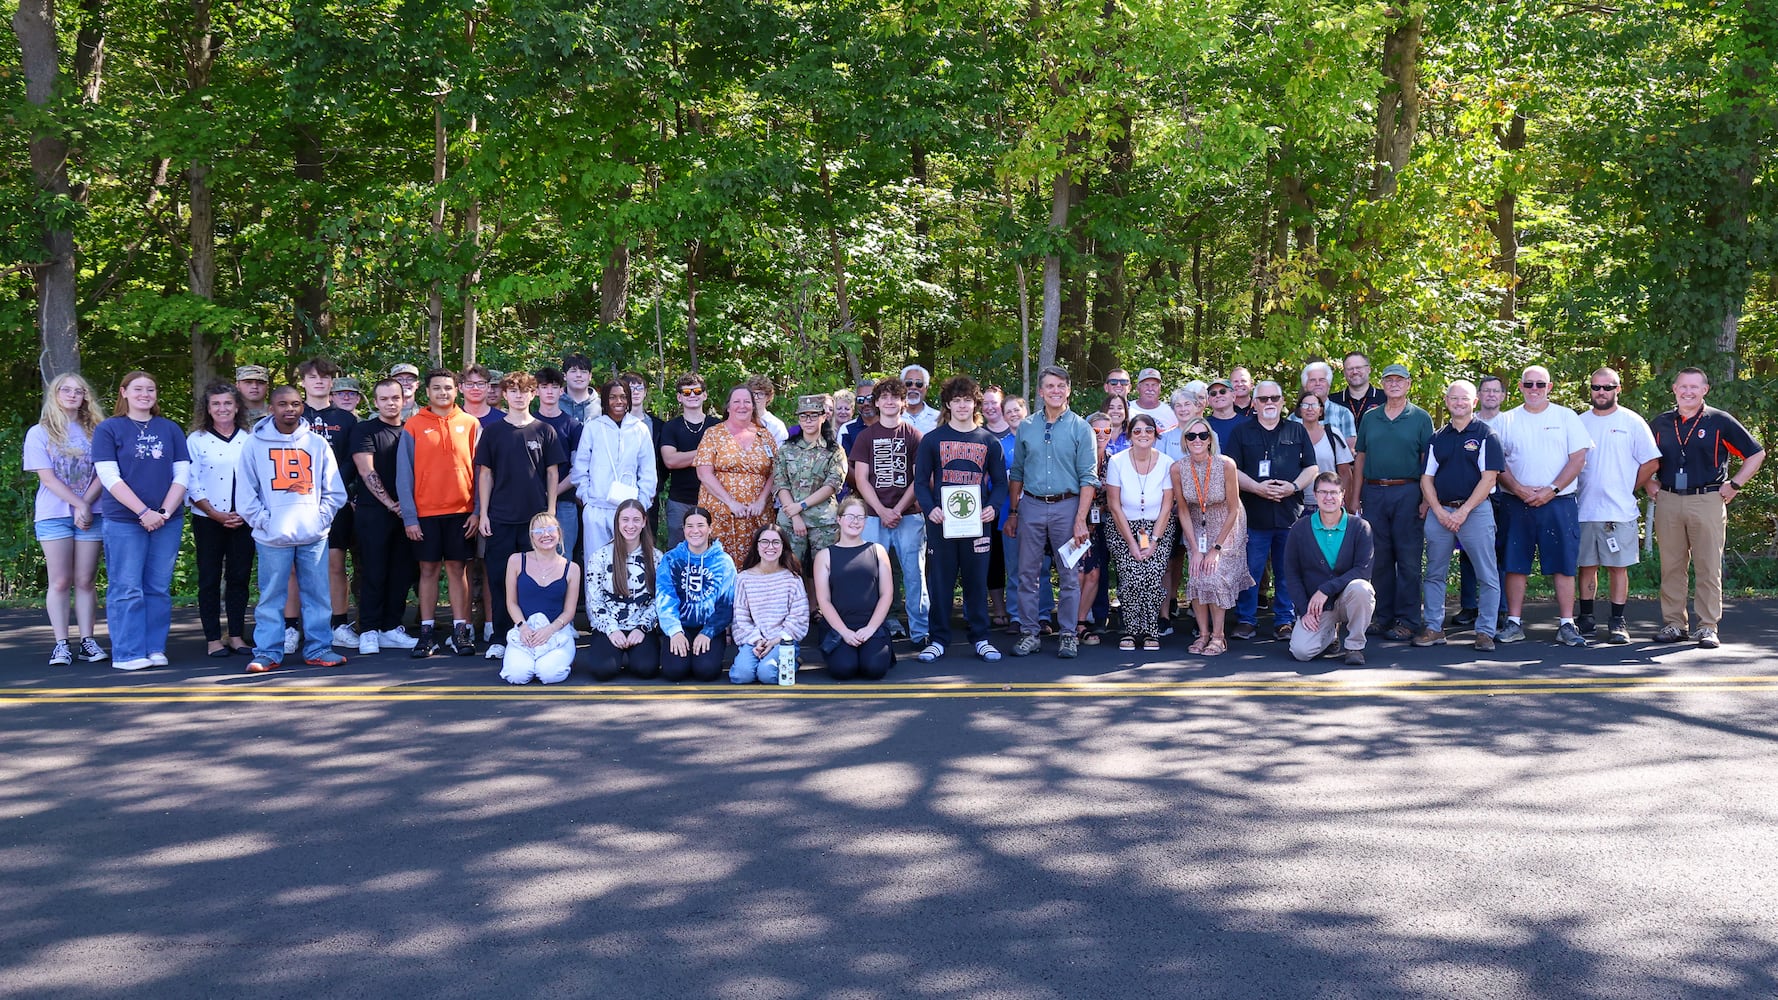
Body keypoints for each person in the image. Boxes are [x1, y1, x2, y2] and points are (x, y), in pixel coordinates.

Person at [1648, 366, 1765, 648]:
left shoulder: (1719, 421)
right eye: (1682, 386)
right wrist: (1648, 483)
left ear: (1705, 390)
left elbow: (1756, 453)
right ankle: (1675, 623)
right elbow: (1641, 458)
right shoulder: (1661, 423)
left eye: (1694, 387)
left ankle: (1707, 626)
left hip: (1708, 498)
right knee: (1672, 566)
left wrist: (1735, 484)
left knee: (1707, 565)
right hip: (1669, 499)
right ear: (1674, 390)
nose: (1688, 392)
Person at [239, 386, 348, 674]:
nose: (290, 409)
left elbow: (335, 490)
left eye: (296, 404)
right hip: (272, 536)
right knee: (271, 597)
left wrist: (320, 518)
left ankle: (319, 648)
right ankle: (267, 652)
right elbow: (246, 492)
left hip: (312, 534)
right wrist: (264, 521)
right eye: (283, 404)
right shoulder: (254, 444)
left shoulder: (316, 443)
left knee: (317, 596)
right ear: (271, 408)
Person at [93, 371, 190, 671]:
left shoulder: (170, 428)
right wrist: (143, 512)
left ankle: (154, 648)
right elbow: (109, 477)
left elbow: (182, 475)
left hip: (166, 520)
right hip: (125, 520)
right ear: (123, 392)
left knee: (158, 587)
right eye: (138, 389)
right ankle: (128, 653)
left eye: (150, 388)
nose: (145, 394)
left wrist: (163, 513)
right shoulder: (109, 429)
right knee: (127, 587)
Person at [1493, 365, 1593, 646]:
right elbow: (1497, 462)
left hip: (1558, 503)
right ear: (1520, 387)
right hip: (1516, 502)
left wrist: (1552, 489)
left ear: (1550, 387)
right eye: (1528, 384)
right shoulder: (1506, 420)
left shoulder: (1566, 417)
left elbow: (1578, 459)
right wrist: (1519, 489)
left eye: (1540, 384)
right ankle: (1513, 622)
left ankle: (1566, 624)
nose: (1534, 389)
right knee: (1515, 564)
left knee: (1563, 564)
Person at [913, 375, 1008, 663]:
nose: (962, 405)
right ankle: (938, 639)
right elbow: (919, 482)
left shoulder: (988, 441)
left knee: (976, 582)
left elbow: (1002, 483)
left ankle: (981, 638)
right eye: (957, 400)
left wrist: (993, 506)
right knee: (940, 582)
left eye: (967, 400)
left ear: (975, 403)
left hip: (977, 523)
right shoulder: (932, 439)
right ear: (947, 404)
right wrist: (930, 509)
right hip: (942, 523)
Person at [1006, 364, 1100, 658]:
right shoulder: (1027, 426)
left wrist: (1080, 519)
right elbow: (1017, 472)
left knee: (1070, 574)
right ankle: (1029, 632)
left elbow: (1088, 476)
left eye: (1061, 386)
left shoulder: (1081, 428)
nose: (1056, 391)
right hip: (1031, 505)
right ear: (1041, 391)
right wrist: (1013, 511)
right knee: (1027, 573)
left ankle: (1068, 634)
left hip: (1068, 506)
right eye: (1050, 386)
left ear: (1069, 390)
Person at [476, 371, 565, 660]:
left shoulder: (544, 431)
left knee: (533, 581)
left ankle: (535, 634)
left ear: (533, 394)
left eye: (523, 390)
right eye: (512, 390)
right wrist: (484, 513)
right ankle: (502, 636)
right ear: (504, 394)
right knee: (501, 579)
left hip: (535, 522)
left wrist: (550, 512)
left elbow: (553, 473)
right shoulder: (493, 431)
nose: (518, 395)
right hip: (500, 518)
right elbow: (485, 475)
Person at [399, 368, 482, 657]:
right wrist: (410, 517)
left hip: (462, 512)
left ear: (456, 390)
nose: (443, 393)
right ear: (427, 392)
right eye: (437, 388)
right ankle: (427, 632)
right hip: (425, 513)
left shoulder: (470, 424)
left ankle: (461, 631)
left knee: (458, 570)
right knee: (428, 570)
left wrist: (478, 511)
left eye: (448, 387)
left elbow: (481, 470)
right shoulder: (413, 425)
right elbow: (404, 475)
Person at [1226, 380, 1319, 640]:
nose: (1269, 403)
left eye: (1274, 398)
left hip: (1290, 513)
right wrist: (1256, 487)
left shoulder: (1297, 431)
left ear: (1282, 402)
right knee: (1251, 571)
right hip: (1254, 514)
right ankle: (1246, 619)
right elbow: (1231, 470)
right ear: (1254, 403)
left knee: (1287, 571)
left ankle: (1284, 620)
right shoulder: (1241, 432)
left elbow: (1312, 467)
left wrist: (1293, 486)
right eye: (1264, 399)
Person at [27, 373, 109, 665]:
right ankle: (61, 643)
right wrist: (77, 504)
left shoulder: (98, 430)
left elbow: (104, 472)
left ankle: (88, 640)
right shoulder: (40, 432)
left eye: (79, 391)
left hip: (91, 513)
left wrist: (85, 505)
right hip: (54, 516)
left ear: (86, 396)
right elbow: (47, 478)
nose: (73, 395)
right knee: (60, 581)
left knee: (85, 580)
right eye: (66, 390)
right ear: (55, 394)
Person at [1416, 379, 1504, 651]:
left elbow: (1489, 479)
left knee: (1486, 574)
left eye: (1464, 399)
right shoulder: (1437, 438)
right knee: (1434, 573)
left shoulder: (1487, 435)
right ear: (1446, 401)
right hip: (1440, 512)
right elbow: (1426, 478)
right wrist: (1440, 511)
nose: (1459, 403)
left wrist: (1463, 511)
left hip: (1475, 513)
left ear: (1474, 402)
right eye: (1454, 398)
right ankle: (1433, 627)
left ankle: (1485, 631)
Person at [1350, 363, 1434, 642]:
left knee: (1409, 559)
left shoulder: (1420, 418)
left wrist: (1425, 498)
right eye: (1389, 380)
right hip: (1374, 492)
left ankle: (1409, 620)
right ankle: (1382, 616)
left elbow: (1427, 462)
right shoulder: (1371, 418)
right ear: (1382, 384)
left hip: (1408, 491)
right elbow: (1360, 458)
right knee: (1379, 558)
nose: (1394, 384)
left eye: (1400, 380)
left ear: (1409, 384)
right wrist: (1355, 497)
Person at [1575, 369, 1660, 644]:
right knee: (1586, 566)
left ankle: (1617, 621)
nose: (1601, 392)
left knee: (1617, 567)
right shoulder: (1578, 422)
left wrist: (1629, 486)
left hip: (1619, 511)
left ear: (1618, 389)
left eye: (1607, 387)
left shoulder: (1632, 422)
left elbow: (1651, 461)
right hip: (1583, 508)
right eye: (1596, 387)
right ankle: (1586, 617)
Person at [849, 376, 929, 644]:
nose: (890, 401)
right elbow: (861, 479)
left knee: (914, 576)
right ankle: (874, 631)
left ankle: (920, 632)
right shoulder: (865, 437)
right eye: (884, 397)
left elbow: (920, 480)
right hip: (873, 518)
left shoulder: (914, 435)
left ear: (903, 402)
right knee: (871, 577)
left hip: (908, 517)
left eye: (895, 397)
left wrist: (896, 509)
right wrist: (882, 510)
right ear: (877, 402)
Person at [347, 378, 419, 654]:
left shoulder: (411, 431)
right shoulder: (364, 429)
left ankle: (391, 627)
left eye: (395, 398)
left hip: (409, 514)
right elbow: (367, 471)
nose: (391, 403)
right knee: (373, 571)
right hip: (374, 512)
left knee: (401, 572)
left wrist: (408, 507)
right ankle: (369, 629)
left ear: (404, 400)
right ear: (375, 402)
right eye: (385, 399)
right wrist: (391, 503)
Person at [186, 383, 255, 659]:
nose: (222, 409)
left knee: (239, 577)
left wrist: (245, 512)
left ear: (237, 406)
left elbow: (257, 478)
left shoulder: (249, 438)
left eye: (228, 403)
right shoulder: (197, 439)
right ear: (208, 408)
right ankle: (213, 638)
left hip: (244, 519)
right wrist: (214, 513)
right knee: (209, 578)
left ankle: (236, 635)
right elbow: (191, 482)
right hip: (208, 518)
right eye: (216, 404)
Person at [1173, 416, 1252, 655]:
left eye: (1202, 435)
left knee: (1214, 576)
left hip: (1227, 523)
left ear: (1210, 440)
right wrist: (1195, 549)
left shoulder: (1226, 464)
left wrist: (1216, 548)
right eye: (1191, 436)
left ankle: (1219, 637)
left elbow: (1234, 507)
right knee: (1197, 575)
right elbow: (1183, 509)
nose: (1197, 440)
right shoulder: (1178, 468)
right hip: (1197, 524)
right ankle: (1203, 634)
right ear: (1185, 441)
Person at [296, 358, 360, 649]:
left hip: (335, 501)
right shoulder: (293, 414)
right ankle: (291, 627)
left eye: (324, 377)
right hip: (296, 501)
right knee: (295, 566)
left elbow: (351, 460)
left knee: (335, 563)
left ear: (332, 382)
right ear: (303, 382)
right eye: (312, 377)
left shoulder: (347, 419)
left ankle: (338, 623)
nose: (319, 381)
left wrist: (331, 486)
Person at [1284, 473, 1377, 666]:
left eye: (1334, 493)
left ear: (1343, 494)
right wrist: (1304, 611)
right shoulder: (1299, 529)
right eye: (1323, 492)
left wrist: (1325, 589)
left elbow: (1363, 571)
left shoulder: (1360, 527)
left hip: (1347, 599)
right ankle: (1329, 636)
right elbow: (1291, 574)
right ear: (1315, 495)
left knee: (1362, 588)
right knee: (1301, 652)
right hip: (1316, 607)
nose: (1328, 498)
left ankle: (1354, 646)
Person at [1104, 414, 1175, 650]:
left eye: (1148, 430)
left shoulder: (1166, 462)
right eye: (1137, 431)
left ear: (1155, 435)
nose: (1143, 435)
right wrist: (1132, 544)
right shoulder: (1117, 461)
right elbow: (1114, 505)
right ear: (1129, 435)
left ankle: (1150, 629)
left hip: (1157, 527)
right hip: (1124, 526)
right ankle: (1130, 629)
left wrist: (1153, 539)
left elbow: (1167, 504)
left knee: (1152, 577)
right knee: (1131, 576)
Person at [814, 497, 896, 680]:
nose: (855, 521)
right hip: (839, 628)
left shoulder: (878, 551)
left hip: (871, 625)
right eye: (850, 516)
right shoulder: (825, 555)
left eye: (860, 517)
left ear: (866, 521)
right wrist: (844, 632)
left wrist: (871, 628)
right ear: (839, 519)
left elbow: (886, 594)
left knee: (874, 669)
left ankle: (874, 650)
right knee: (844, 670)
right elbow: (824, 601)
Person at [574, 378, 655, 560]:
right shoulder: (593, 428)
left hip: (629, 511)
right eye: (613, 397)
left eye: (623, 397)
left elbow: (648, 471)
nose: (618, 402)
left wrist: (640, 505)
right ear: (605, 400)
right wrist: (587, 498)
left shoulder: (640, 429)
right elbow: (580, 468)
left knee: (629, 563)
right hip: (597, 507)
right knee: (595, 562)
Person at [696, 383, 779, 559]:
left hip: (757, 514)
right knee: (719, 564)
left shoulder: (765, 436)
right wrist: (731, 502)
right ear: (728, 406)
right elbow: (704, 473)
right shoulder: (713, 434)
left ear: (753, 406)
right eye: (737, 401)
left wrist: (761, 500)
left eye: (747, 402)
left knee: (757, 561)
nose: (742, 406)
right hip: (720, 513)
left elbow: (774, 472)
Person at [497, 512, 580, 684]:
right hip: (525, 630)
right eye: (539, 531)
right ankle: (527, 661)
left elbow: (569, 611)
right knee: (517, 675)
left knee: (549, 674)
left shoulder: (572, 568)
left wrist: (550, 630)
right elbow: (511, 602)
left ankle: (551, 660)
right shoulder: (516, 561)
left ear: (559, 533)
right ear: (531, 537)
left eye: (551, 529)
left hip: (556, 631)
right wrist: (523, 627)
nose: (546, 534)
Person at [656, 506, 737, 682]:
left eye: (700, 525)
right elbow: (665, 598)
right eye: (689, 526)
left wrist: (709, 632)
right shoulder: (671, 559)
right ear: (683, 529)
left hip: (709, 626)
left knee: (706, 671)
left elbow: (726, 604)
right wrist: (674, 631)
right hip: (680, 625)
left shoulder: (723, 562)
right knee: (674, 671)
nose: (695, 531)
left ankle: (706, 653)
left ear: (710, 528)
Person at [585, 500, 660, 681]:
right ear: (617, 522)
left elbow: (660, 599)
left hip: (640, 626)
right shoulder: (600, 556)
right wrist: (611, 630)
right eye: (625, 520)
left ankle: (636, 654)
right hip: (610, 624)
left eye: (636, 520)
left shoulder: (656, 557)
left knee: (646, 669)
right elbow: (594, 599)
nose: (630, 525)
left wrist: (642, 628)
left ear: (644, 522)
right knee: (603, 671)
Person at [770, 393, 847, 566]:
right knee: (790, 569)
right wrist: (795, 514)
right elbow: (780, 483)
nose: (808, 420)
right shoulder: (786, 449)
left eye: (813, 415)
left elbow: (832, 485)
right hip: (790, 521)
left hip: (822, 522)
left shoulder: (834, 450)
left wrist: (802, 505)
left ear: (823, 417)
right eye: (803, 416)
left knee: (825, 571)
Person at [728, 524, 811, 683]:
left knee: (768, 674)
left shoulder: (792, 579)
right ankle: (757, 659)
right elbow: (740, 617)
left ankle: (793, 660)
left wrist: (776, 640)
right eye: (764, 542)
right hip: (754, 640)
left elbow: (798, 617)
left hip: (783, 640)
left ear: (783, 547)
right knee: (741, 676)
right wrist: (757, 640)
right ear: (757, 546)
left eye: (776, 542)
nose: (770, 547)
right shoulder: (744, 578)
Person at [532, 366, 583, 561]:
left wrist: (552, 492)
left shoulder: (573, 426)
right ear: (536, 391)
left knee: (563, 556)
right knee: (533, 556)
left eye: (554, 387)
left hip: (565, 502)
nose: (549, 392)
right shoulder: (528, 423)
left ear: (562, 391)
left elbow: (578, 469)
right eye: (544, 387)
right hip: (531, 502)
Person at [660, 373, 714, 548]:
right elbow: (670, 461)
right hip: (680, 501)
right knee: (677, 552)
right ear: (679, 397)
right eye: (687, 392)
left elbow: (723, 460)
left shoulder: (717, 426)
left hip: (713, 498)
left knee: (712, 550)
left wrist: (686, 457)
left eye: (697, 391)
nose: (692, 395)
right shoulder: (670, 427)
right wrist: (705, 452)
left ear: (704, 395)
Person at [981, 385, 1015, 628]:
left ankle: (1020, 609)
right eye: (984, 403)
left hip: (1016, 506)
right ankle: (999, 608)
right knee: (992, 559)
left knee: (1015, 560)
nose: (990, 407)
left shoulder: (1019, 433)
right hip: (987, 506)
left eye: (994, 402)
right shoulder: (977, 435)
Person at [1295, 390, 1354, 499]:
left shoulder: (1333, 434)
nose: (1310, 409)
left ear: (1321, 410)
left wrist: (1344, 501)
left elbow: (1345, 472)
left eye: (1314, 405)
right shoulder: (1290, 435)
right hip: (1298, 503)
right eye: (1305, 405)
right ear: (1299, 410)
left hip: (1330, 501)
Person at [1298, 361, 1357, 447]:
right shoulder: (1293, 418)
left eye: (1322, 380)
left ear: (1328, 385)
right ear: (1305, 386)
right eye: (1312, 380)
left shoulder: (1343, 414)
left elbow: (1350, 452)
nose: (1317, 383)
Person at [1333, 352, 1385, 430]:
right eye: (1350, 368)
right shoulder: (1332, 402)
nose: (1355, 372)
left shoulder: (1385, 398)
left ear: (1369, 369)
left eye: (1359, 368)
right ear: (1344, 373)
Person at [746, 373, 790, 445]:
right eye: (752, 393)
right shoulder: (739, 421)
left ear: (768, 397)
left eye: (760, 394)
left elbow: (781, 453)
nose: (756, 397)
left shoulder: (776, 426)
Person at [1204, 376, 1248, 446]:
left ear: (1233, 396)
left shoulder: (1248, 423)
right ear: (1209, 400)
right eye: (1213, 393)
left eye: (1223, 392)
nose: (1218, 396)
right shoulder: (1203, 425)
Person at [900, 364, 941, 433]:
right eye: (908, 383)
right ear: (901, 386)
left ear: (926, 388)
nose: (913, 387)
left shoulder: (938, 418)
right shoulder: (892, 416)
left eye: (919, 384)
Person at [560, 353, 600, 423]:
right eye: (573, 371)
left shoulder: (601, 405)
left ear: (590, 376)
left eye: (583, 371)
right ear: (564, 376)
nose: (578, 375)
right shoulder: (554, 404)